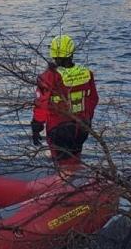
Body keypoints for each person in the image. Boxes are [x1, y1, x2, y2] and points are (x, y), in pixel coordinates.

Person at [30, 35, 99, 166]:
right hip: (82, 126)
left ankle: (65, 184)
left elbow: (41, 104)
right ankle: (77, 182)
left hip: (59, 127)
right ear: (72, 52)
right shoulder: (86, 73)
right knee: (75, 159)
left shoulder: (49, 76)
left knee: (62, 164)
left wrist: (36, 126)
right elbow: (93, 99)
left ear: (53, 54)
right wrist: (87, 119)